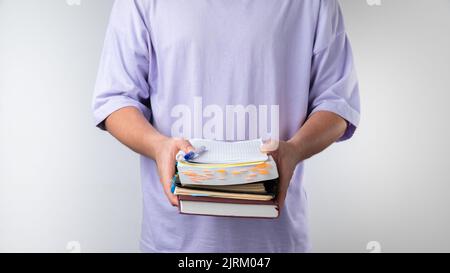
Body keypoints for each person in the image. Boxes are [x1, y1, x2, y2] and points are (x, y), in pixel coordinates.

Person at [92, 0, 360, 253]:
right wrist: (158, 146)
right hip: (175, 240)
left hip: (274, 240)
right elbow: (116, 97)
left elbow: (337, 101)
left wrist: (295, 149)